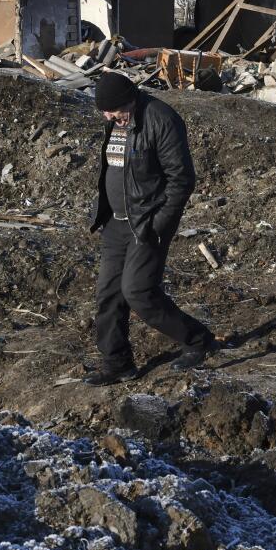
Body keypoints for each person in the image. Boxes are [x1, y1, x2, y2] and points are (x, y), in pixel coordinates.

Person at [84, 72, 218, 386]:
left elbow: (181, 180)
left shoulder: (161, 119)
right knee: (108, 295)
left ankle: (197, 339)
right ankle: (117, 363)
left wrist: (159, 224)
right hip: (115, 222)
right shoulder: (117, 120)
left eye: (113, 110)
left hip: (147, 223)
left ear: (128, 100)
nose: (108, 116)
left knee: (138, 291)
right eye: (104, 112)